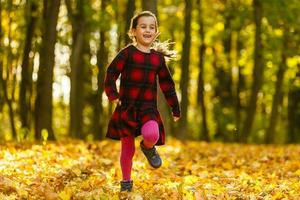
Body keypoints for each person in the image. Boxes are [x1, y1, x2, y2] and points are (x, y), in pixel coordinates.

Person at [104, 10, 181, 192]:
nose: (148, 30)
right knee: (127, 149)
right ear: (134, 31)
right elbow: (110, 73)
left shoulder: (157, 58)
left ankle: (148, 148)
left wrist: (175, 108)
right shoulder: (127, 53)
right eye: (143, 26)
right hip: (127, 108)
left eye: (151, 27)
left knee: (152, 135)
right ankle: (126, 183)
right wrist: (113, 95)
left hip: (148, 108)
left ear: (156, 32)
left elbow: (167, 84)